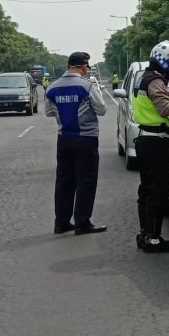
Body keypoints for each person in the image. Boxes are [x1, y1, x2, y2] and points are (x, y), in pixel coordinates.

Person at [45, 52, 108, 235]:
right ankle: (82, 222)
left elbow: (48, 112)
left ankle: (61, 222)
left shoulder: (52, 87)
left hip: (63, 138)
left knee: (64, 181)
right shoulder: (87, 85)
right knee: (86, 180)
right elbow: (102, 110)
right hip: (86, 139)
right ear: (84, 67)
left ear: (67, 66)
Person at [132, 41, 169, 253]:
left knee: (146, 189)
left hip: (144, 139)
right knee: (157, 191)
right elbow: (164, 109)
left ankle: (145, 234)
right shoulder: (155, 81)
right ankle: (153, 238)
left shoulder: (142, 77)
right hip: (156, 141)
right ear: (165, 62)